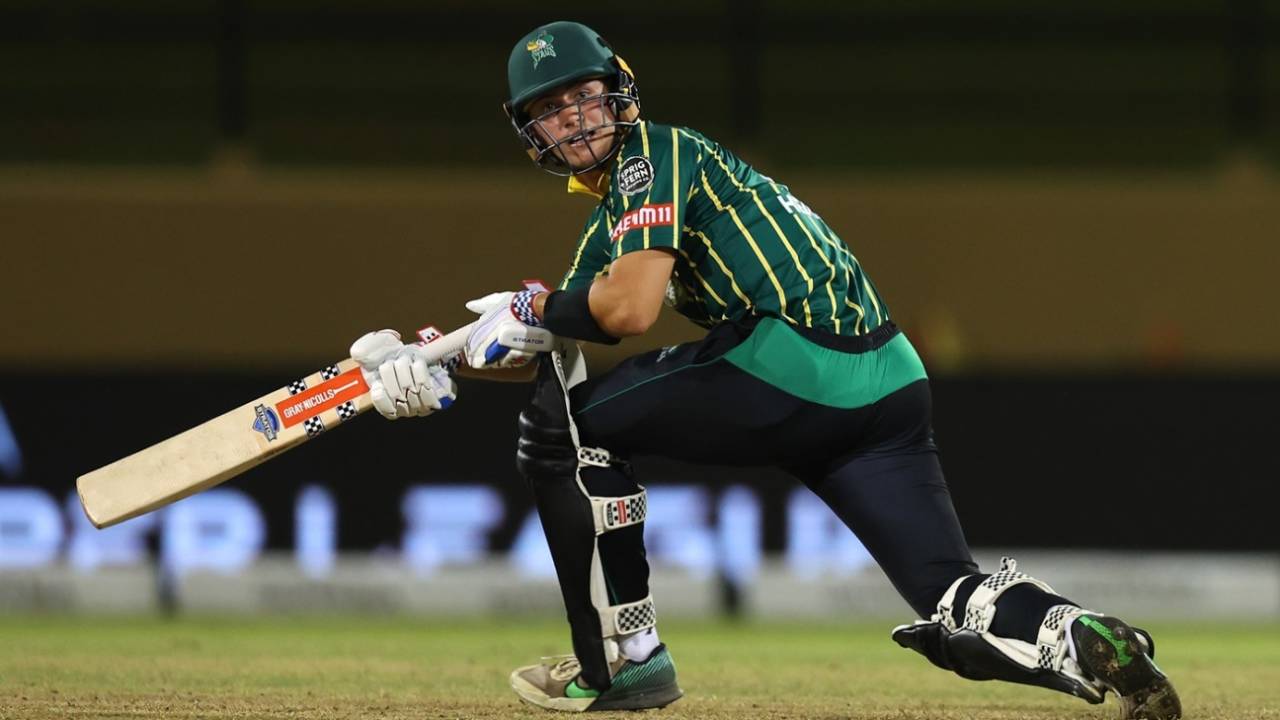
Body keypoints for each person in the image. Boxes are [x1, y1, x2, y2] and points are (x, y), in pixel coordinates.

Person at [348, 20, 1182, 718]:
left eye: (583, 96)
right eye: (550, 110)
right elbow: (555, 335)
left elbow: (624, 313)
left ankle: (621, 659)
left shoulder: (650, 155)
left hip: (795, 359)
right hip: (887, 382)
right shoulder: (623, 213)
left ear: (621, 92)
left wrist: (527, 315)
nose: (573, 119)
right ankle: (1085, 636)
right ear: (531, 132)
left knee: (563, 430)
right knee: (946, 594)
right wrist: (431, 363)